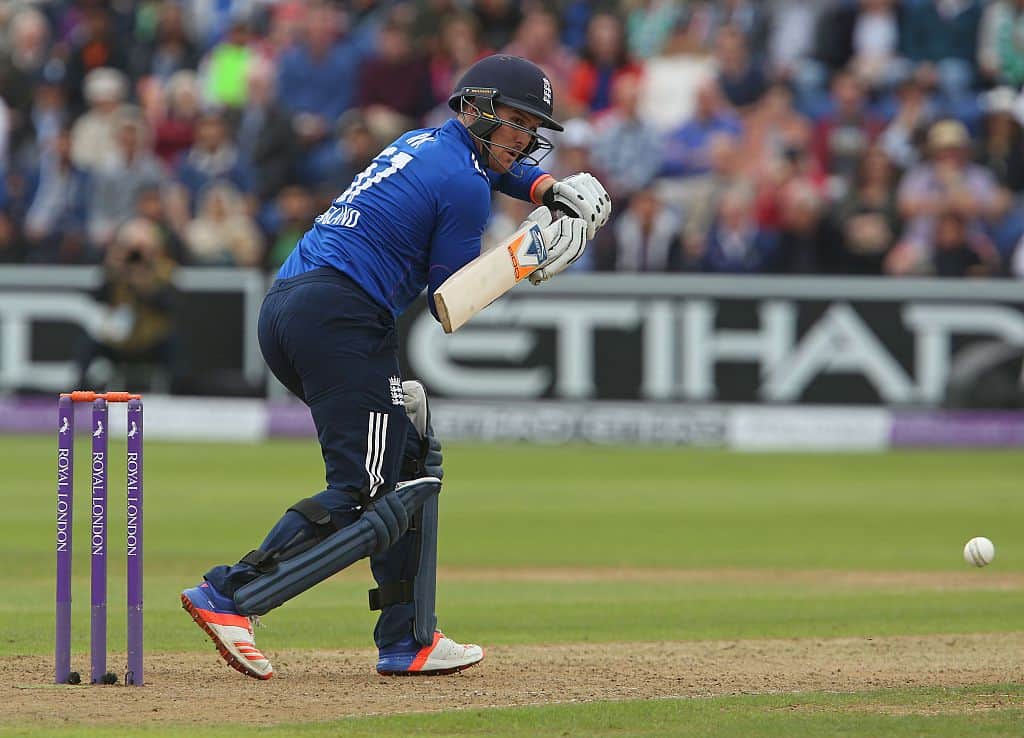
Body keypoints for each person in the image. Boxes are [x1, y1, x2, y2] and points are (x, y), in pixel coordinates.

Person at [180, 54, 611, 680]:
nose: (524, 139)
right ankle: (231, 595)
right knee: (366, 492)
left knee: (411, 466)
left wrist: (545, 189)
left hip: (294, 305)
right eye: (515, 122)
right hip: (342, 320)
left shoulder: (423, 143)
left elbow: (491, 172)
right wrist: (533, 255)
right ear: (479, 108)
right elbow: (451, 300)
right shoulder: (464, 183)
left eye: (531, 127)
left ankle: (409, 640)